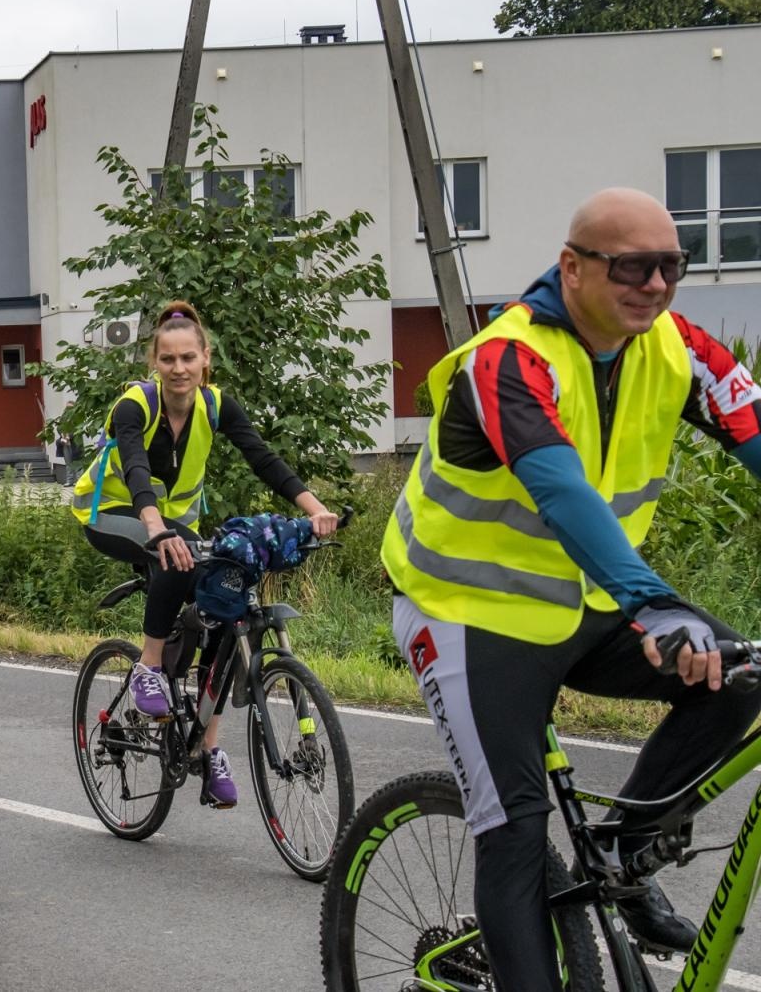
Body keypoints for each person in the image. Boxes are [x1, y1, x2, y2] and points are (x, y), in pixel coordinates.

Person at [382, 187, 761, 990]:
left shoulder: (677, 348)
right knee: (515, 831)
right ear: (573, 267)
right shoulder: (508, 358)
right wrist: (655, 601)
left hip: (584, 604)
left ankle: (624, 848)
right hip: (466, 614)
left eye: (671, 266)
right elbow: (560, 491)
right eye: (631, 267)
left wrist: (645, 604)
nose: (654, 285)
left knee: (737, 678)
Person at [71, 301, 339, 807]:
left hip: (174, 528)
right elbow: (134, 466)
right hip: (110, 514)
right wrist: (155, 527)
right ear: (154, 362)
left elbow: (263, 458)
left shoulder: (216, 406)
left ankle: (207, 747)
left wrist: (315, 509)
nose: (179, 368)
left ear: (205, 359)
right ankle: (149, 666)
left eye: (188, 358)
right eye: (168, 359)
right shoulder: (135, 405)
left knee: (226, 598)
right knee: (179, 553)